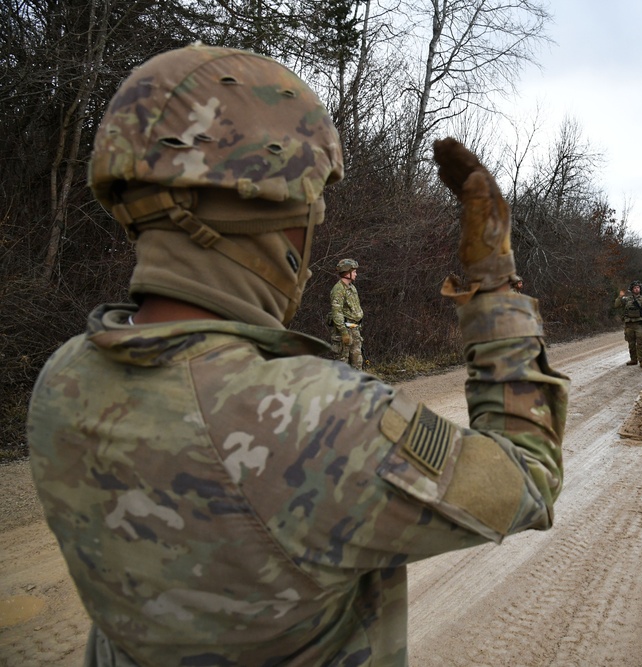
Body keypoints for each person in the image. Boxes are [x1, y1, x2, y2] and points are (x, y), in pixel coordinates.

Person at [26, 44, 567, 667]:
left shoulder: (63, 380)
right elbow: (528, 477)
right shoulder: (316, 420)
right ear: (274, 215)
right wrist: (493, 283)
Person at [329, 257, 364, 369]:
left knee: (357, 364)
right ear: (346, 273)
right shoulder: (338, 290)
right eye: (353, 272)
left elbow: (355, 309)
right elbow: (337, 313)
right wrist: (344, 333)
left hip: (354, 329)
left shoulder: (352, 288)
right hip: (344, 331)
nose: (356, 274)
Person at [614, 280, 642, 368]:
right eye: (635, 288)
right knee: (631, 343)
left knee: (640, 342)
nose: (637, 289)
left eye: (638, 287)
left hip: (639, 324)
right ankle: (634, 359)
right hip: (629, 324)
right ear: (632, 289)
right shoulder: (626, 299)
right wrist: (620, 297)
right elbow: (616, 305)